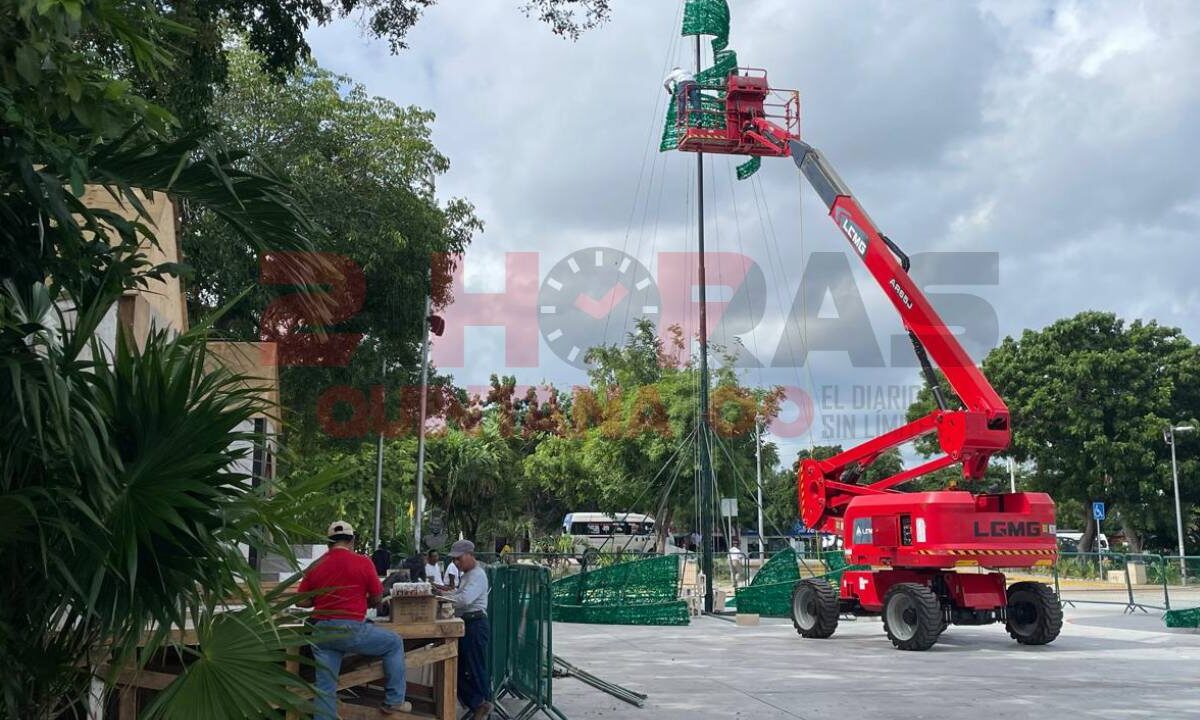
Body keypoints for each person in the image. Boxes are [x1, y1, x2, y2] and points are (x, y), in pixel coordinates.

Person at [297, 521, 410, 719]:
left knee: (325, 690)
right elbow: (376, 598)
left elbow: (302, 602)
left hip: (322, 631)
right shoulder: (363, 562)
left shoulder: (316, 565)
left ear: (328, 543)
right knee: (394, 643)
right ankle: (393, 701)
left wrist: (321, 598)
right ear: (353, 541)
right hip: (351, 629)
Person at [438, 540, 493, 719]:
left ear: (470, 555)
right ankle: (478, 703)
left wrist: (444, 598)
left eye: (459, 559)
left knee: (475, 667)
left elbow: (465, 600)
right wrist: (443, 595)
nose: (456, 563)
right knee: (460, 668)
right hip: (467, 624)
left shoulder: (477, 575)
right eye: (454, 560)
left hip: (475, 625)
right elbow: (459, 595)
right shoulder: (467, 575)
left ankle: (483, 703)